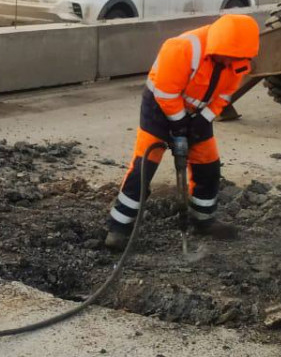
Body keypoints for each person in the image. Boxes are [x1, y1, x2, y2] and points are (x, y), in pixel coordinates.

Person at [104, 13, 260, 253]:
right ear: (218, 46)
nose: (231, 62)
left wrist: (203, 120)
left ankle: (202, 219)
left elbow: (224, 94)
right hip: (159, 107)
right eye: (228, 57)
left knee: (208, 164)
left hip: (198, 113)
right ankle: (119, 228)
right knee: (145, 165)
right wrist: (178, 125)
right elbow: (166, 92)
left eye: (235, 59)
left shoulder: (238, 60)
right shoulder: (182, 48)